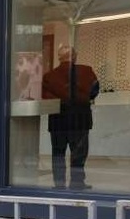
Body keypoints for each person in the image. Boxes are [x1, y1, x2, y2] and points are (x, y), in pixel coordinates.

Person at [42, 44, 99, 190]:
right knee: (79, 153)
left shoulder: (49, 76)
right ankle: (77, 183)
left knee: (58, 153)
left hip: (58, 120)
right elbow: (94, 90)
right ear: (74, 56)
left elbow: (45, 96)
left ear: (59, 58)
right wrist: (85, 99)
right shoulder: (86, 71)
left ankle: (59, 184)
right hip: (80, 118)